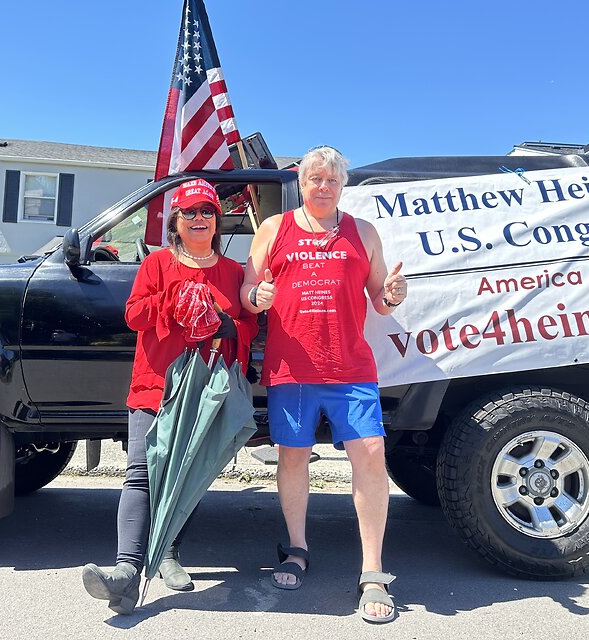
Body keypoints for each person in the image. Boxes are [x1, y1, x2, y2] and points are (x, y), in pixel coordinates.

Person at [240, 146, 409, 624]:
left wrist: (393, 294)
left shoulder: (363, 233)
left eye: (332, 181)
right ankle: (296, 549)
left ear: (342, 186)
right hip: (291, 369)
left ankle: (372, 571)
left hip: (350, 368)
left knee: (372, 455)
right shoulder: (275, 229)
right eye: (315, 179)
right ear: (301, 181)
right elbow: (247, 296)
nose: (323, 187)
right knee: (293, 457)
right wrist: (258, 295)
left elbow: (381, 300)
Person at [82, 178, 258, 615]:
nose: (199, 218)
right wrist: (175, 298)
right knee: (141, 474)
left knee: (186, 476)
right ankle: (125, 571)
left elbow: (249, 327)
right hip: (155, 385)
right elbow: (134, 314)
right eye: (189, 212)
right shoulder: (158, 263)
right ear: (176, 222)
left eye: (207, 211)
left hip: (205, 391)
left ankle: (169, 556)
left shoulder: (234, 272)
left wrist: (226, 325)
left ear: (218, 220)